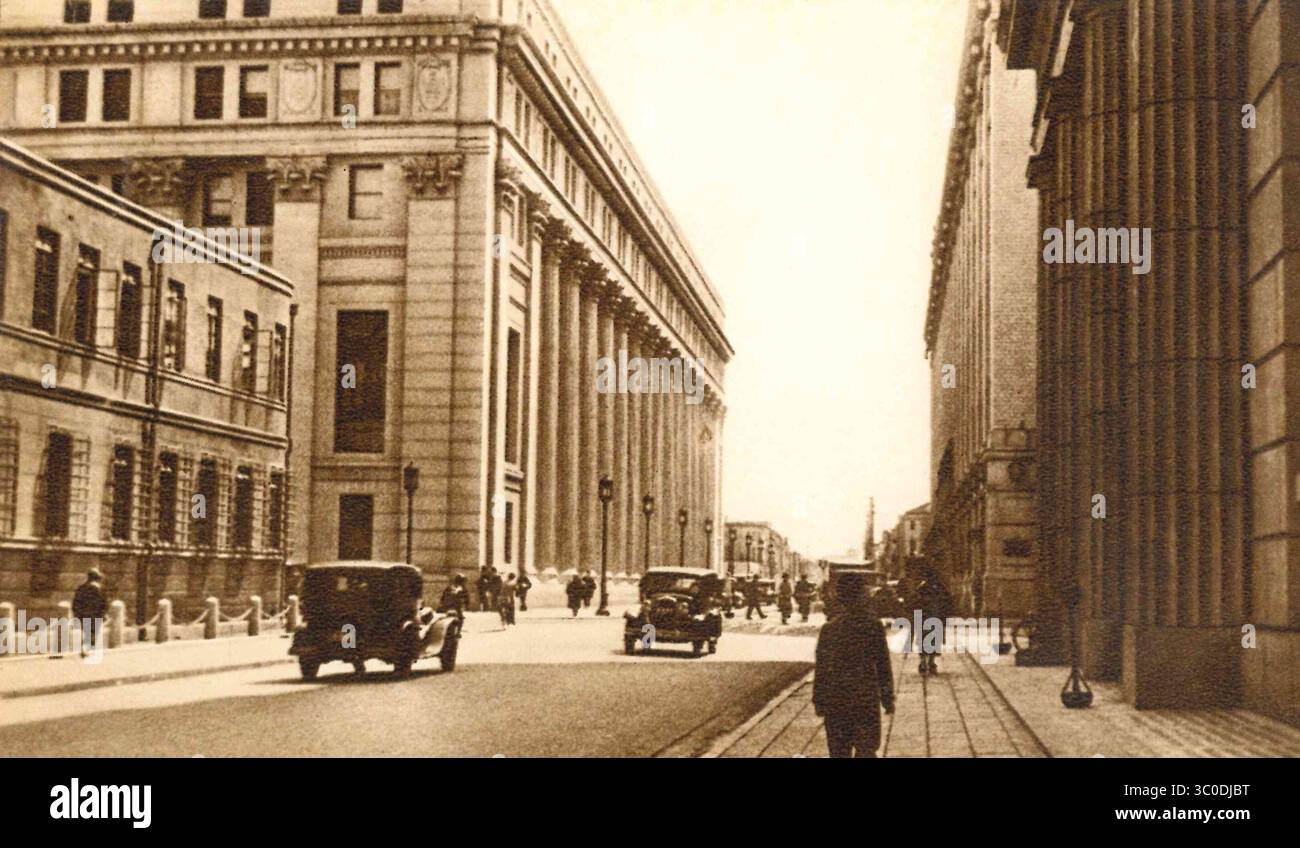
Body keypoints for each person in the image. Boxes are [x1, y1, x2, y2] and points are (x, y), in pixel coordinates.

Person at [812, 573, 895, 758]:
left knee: (839, 752)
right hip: (864, 699)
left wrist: (819, 699)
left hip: (837, 701)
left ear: (840, 598)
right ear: (861, 596)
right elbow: (883, 665)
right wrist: (887, 697)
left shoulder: (829, 629)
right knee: (867, 750)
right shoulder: (873, 627)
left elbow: (822, 669)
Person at [912, 568, 948, 675]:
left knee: (924, 641)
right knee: (933, 641)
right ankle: (930, 663)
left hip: (925, 619)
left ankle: (924, 663)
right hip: (934, 618)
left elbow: (915, 604)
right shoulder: (939, 588)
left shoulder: (921, 588)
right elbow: (945, 604)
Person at [72, 568, 107, 658]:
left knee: (87, 632)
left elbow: (76, 602)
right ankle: (85, 648)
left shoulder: (81, 588)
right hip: (95, 615)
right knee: (92, 633)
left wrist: (76, 614)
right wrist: (103, 614)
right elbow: (104, 603)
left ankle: (85, 648)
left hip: (83, 614)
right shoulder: (99, 589)